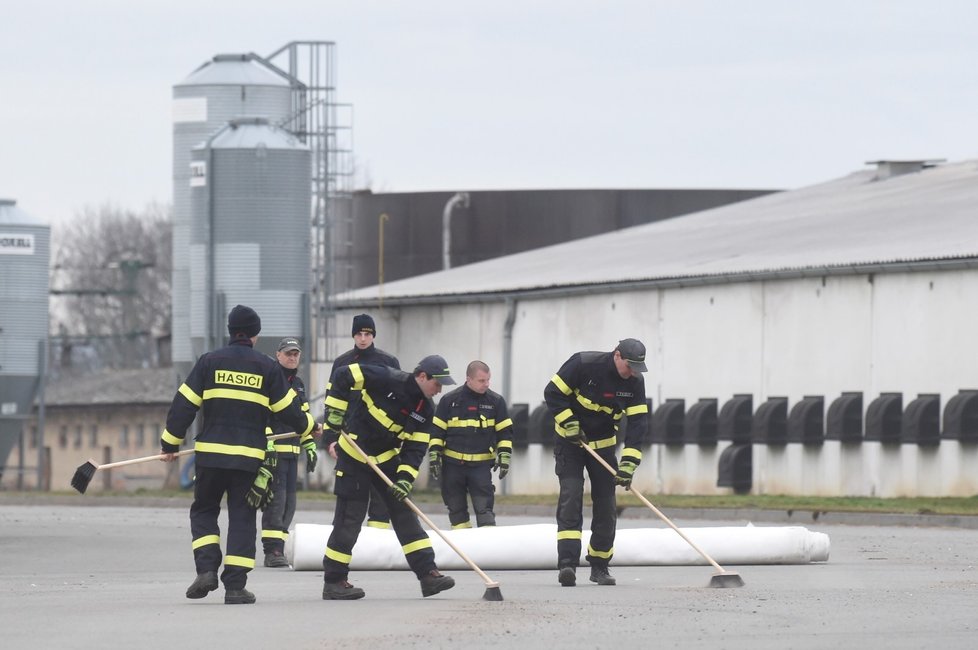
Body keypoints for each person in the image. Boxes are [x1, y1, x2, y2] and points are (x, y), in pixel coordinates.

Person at [160, 305, 316, 605]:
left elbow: (183, 405)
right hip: (247, 459)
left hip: (210, 456)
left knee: (204, 510)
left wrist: (170, 444)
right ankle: (235, 586)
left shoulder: (209, 362)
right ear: (255, 336)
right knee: (243, 517)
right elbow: (289, 410)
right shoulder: (267, 367)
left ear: (230, 331)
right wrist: (311, 428)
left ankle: (206, 569)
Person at [319, 354, 457, 600]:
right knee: (349, 519)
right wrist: (335, 414)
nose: (439, 390)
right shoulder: (386, 377)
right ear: (422, 376)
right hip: (354, 454)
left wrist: (405, 479)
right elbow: (343, 375)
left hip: (384, 458)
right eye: (437, 383)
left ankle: (428, 575)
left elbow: (415, 450)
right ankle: (334, 581)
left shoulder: (425, 410)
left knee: (405, 512)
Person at [543, 338, 650, 588]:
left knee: (606, 504)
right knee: (571, 496)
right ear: (616, 356)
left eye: (637, 368)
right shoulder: (583, 363)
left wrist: (628, 464)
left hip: (603, 445)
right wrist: (569, 422)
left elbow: (638, 425)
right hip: (572, 442)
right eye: (629, 366)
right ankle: (567, 564)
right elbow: (553, 392)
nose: (632, 372)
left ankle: (599, 565)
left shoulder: (635, 382)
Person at [324, 313, 400, 529]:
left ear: (373, 335)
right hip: (350, 439)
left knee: (380, 500)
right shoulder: (342, 363)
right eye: (359, 333)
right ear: (354, 336)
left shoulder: (389, 362)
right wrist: (330, 439)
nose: (363, 338)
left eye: (367, 334)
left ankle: (376, 549)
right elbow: (332, 403)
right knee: (349, 498)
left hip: (381, 441)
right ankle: (343, 546)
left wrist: (397, 437)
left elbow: (398, 401)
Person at [429, 360, 513, 528]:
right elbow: (437, 432)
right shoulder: (449, 401)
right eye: (482, 381)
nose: (486, 384)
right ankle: (464, 549)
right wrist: (434, 455)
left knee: (485, 512)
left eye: (488, 380)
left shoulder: (496, 402)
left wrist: (504, 455)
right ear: (469, 379)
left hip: (480, 468)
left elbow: (505, 432)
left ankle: (486, 551)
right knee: (457, 512)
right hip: (452, 467)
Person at [260, 337, 322, 568]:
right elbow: (262, 415)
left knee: (289, 504)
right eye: (288, 354)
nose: (292, 357)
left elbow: (303, 418)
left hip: (292, 452)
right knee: (276, 502)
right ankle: (272, 550)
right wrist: (266, 443)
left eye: (296, 354)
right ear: (278, 355)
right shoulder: (270, 380)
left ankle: (281, 546)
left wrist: (309, 444)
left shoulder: (299, 384)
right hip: (274, 452)